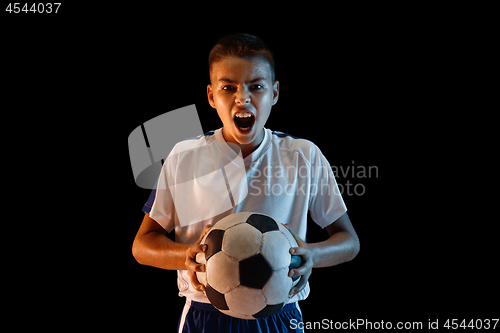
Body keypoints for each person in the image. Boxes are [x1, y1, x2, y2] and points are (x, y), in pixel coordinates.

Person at [132, 33, 360, 333]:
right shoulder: (184, 156)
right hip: (204, 316)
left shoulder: (303, 155)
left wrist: (313, 255)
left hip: (281, 315)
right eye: (228, 87)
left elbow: (349, 241)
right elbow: (142, 245)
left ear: (274, 93)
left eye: (256, 86)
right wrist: (183, 256)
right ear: (212, 96)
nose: (243, 98)